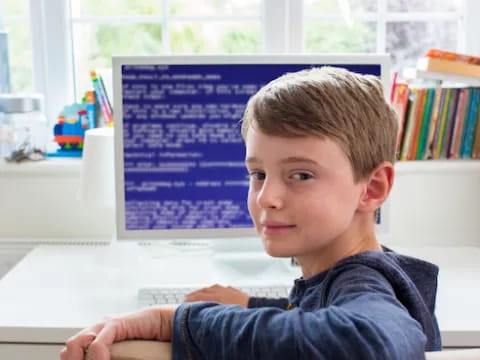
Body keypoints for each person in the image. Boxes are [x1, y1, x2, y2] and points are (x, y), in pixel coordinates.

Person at [60, 67, 441, 360]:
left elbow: (372, 344)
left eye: (301, 175)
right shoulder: (342, 275)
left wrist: (176, 321)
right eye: (258, 174)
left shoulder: (362, 281)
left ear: (372, 188)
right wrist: (255, 307)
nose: (267, 197)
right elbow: (320, 313)